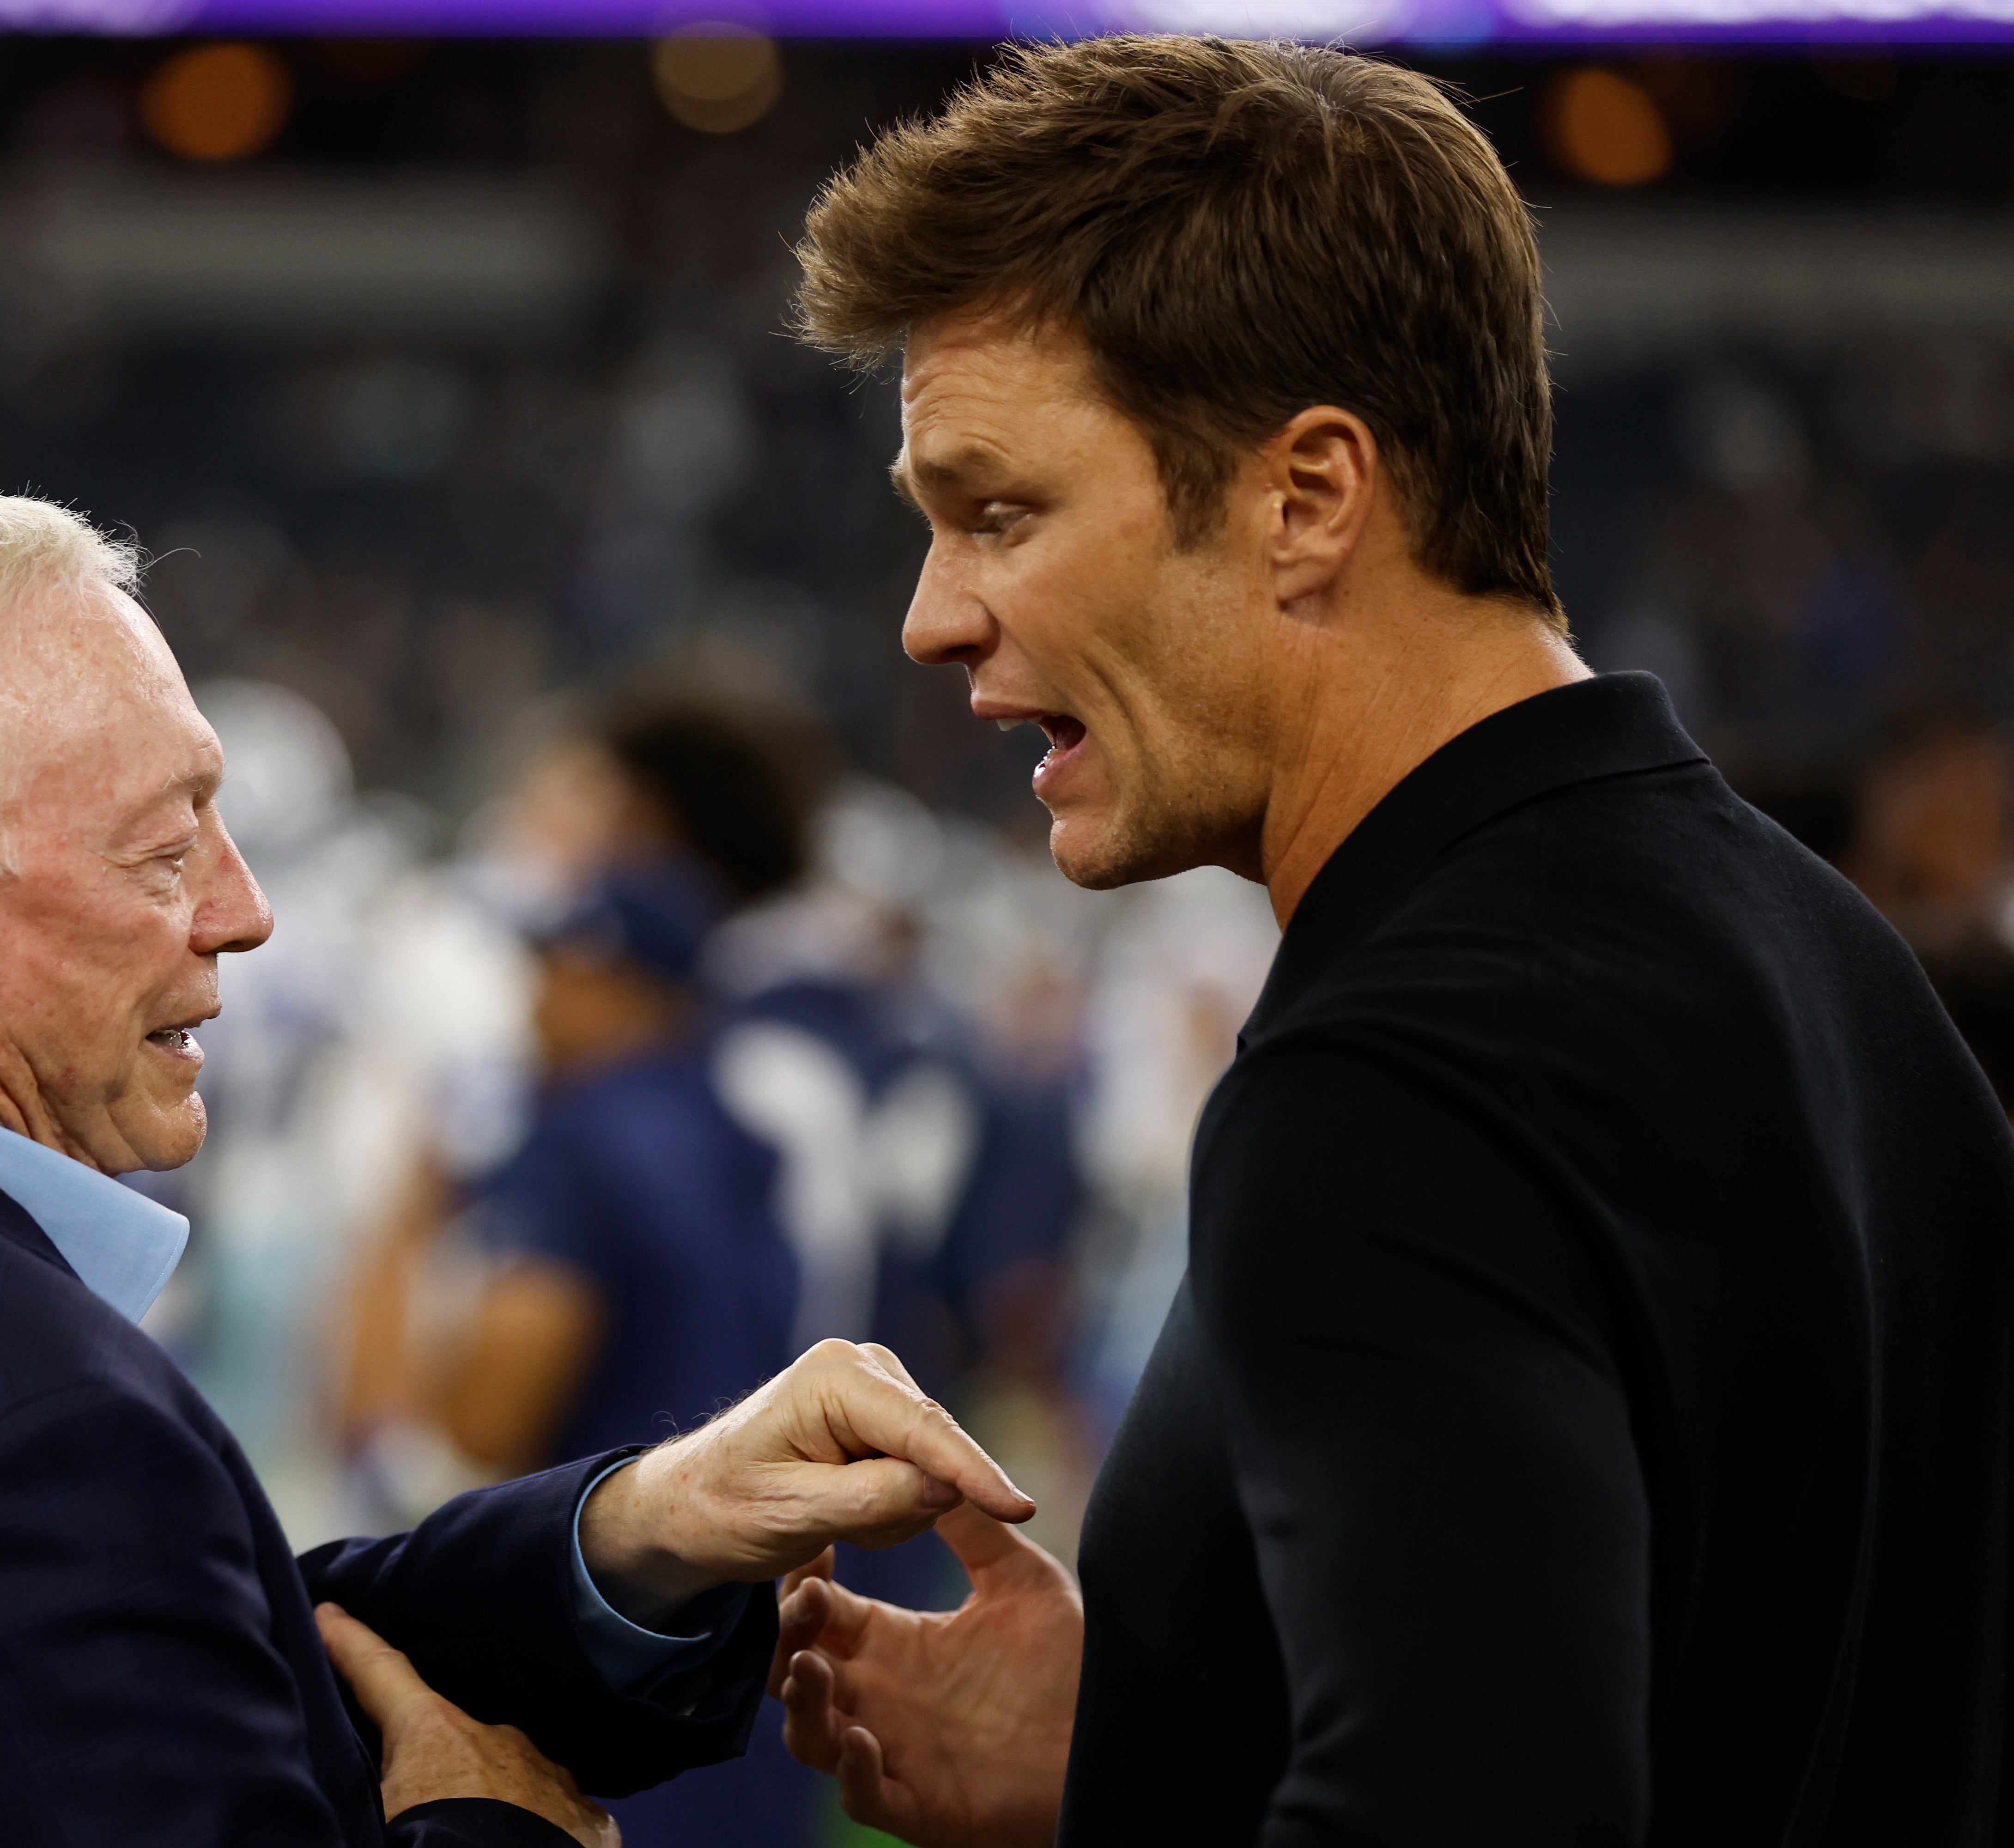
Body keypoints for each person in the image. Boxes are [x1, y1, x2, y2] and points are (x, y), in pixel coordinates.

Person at [0, 480, 1036, 1847]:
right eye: (167, 848)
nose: (245, 909)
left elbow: (123, 1654)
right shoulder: (24, 1430)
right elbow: (78, 1589)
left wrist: (634, 1537)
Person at [766, 36, 2013, 1848]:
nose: (929, 617)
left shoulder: (1396, 1084)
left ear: (1309, 496)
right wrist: (1173, 1743)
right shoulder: (1832, 962)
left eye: (999, 512)